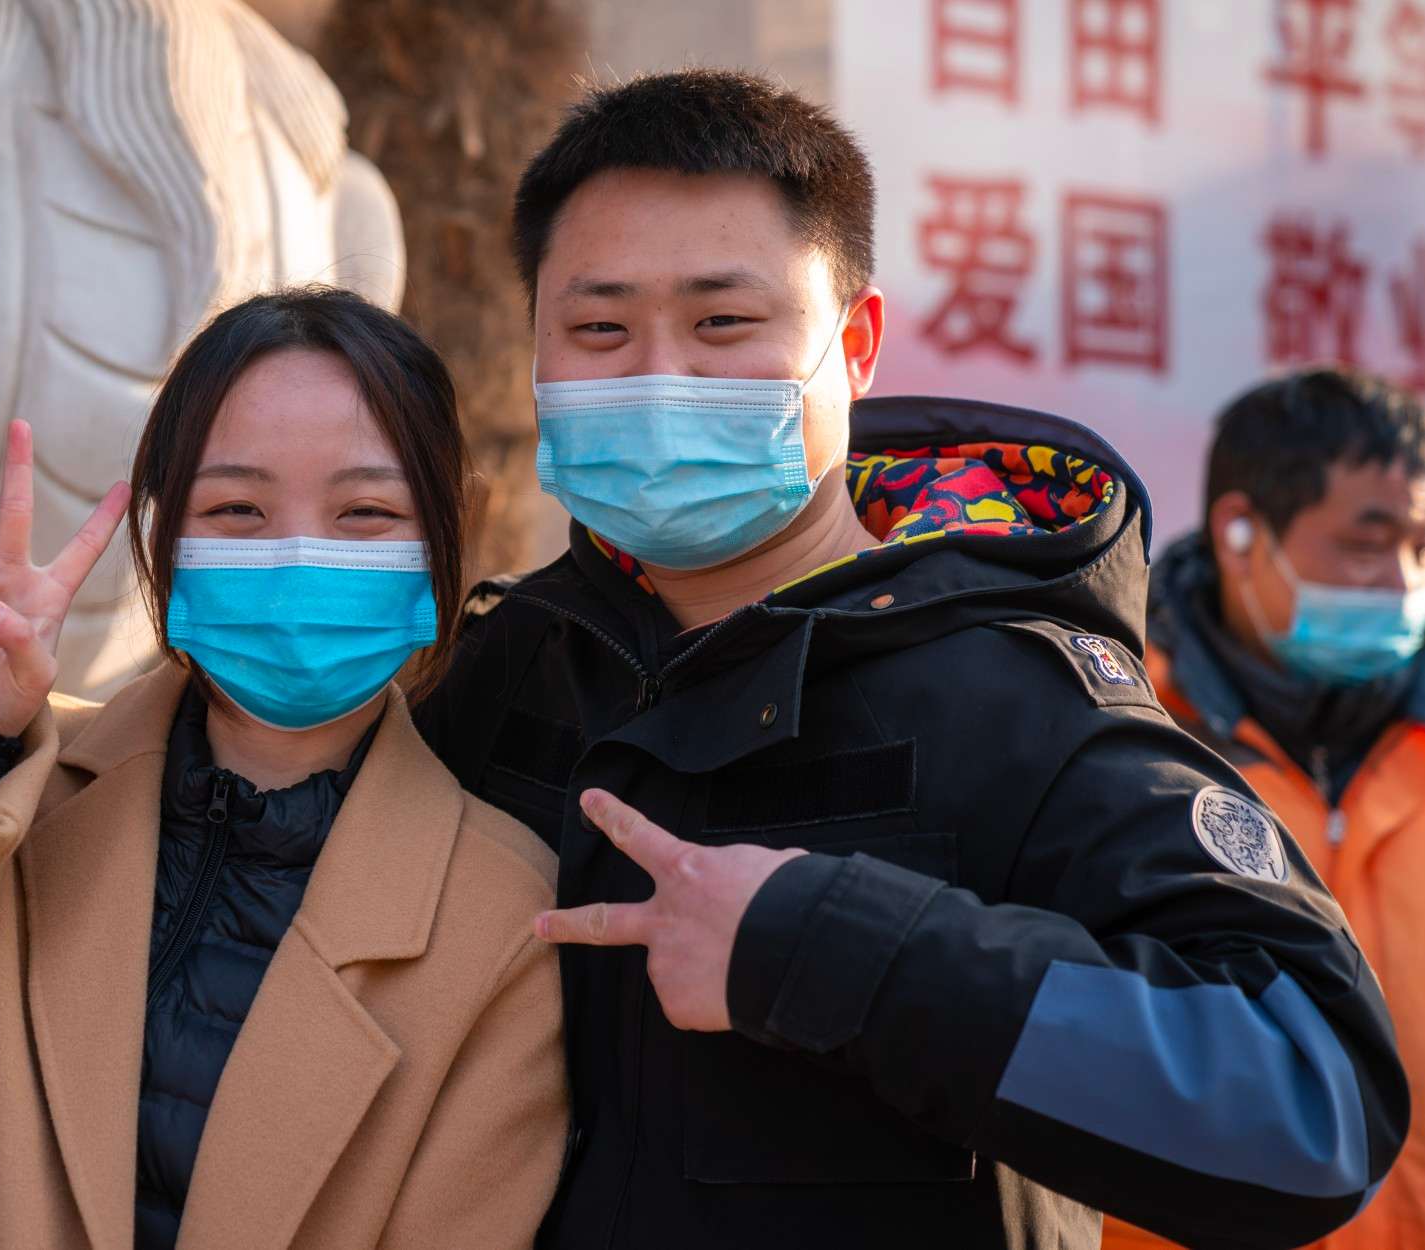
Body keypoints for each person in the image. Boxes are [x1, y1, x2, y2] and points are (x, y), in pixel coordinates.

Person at [409, 70, 1410, 1248]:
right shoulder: (500, 666)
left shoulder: (1014, 699)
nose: (659, 374)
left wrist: (842, 951)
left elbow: (1309, 1097)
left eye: (722, 322)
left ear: (856, 343)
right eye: (598, 329)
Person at [0, 287, 567, 1250]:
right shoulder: (7, 798)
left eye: (365, 511)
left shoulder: (507, 916)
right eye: (237, 508)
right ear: (164, 542)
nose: (299, 555)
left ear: (442, 540)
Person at [1104, 369, 1425, 1250]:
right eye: (1366, 545)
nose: (1401, 583)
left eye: (1420, 549)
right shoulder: (1116, 735)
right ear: (1239, 531)